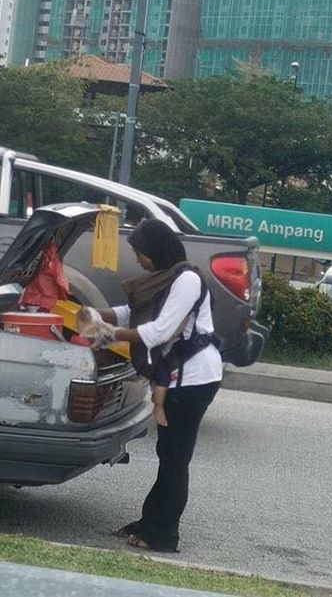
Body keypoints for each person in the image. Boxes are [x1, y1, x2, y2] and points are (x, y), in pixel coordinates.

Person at [87, 219, 221, 553]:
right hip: (177, 375)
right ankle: (150, 522)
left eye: (141, 253)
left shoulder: (187, 280)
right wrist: (87, 313)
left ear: (157, 250)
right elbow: (131, 311)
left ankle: (163, 535)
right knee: (168, 454)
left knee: (175, 458)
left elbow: (159, 331)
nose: (140, 260)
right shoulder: (166, 279)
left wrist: (108, 334)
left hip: (194, 378)